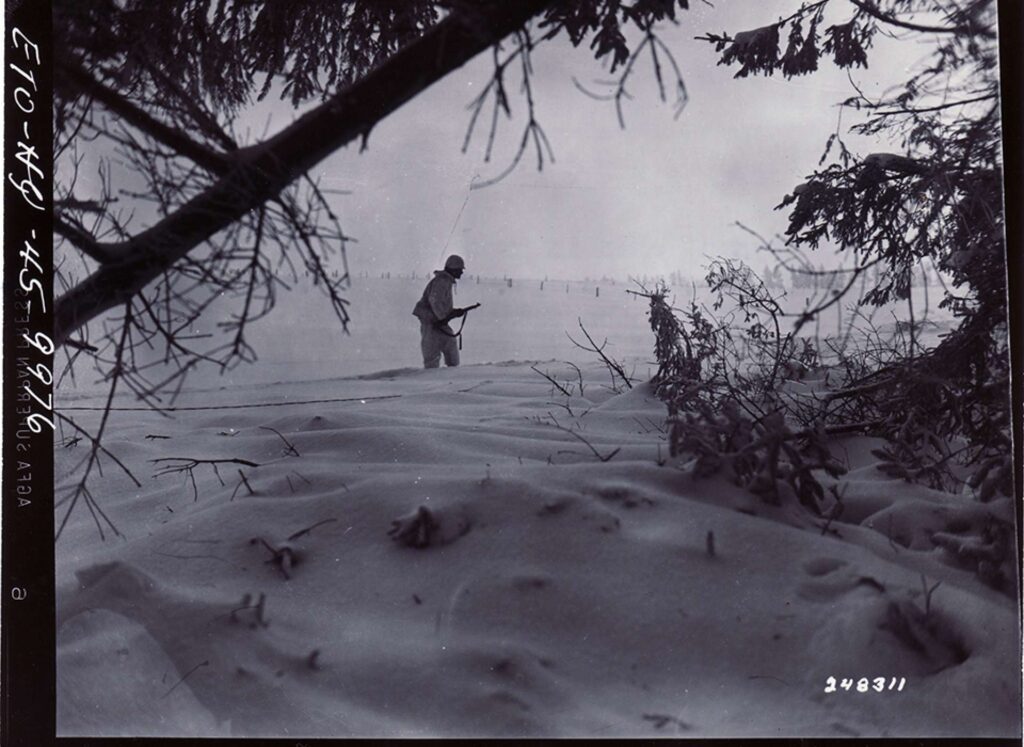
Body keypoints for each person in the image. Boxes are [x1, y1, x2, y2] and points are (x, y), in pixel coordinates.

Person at [412, 254, 469, 368]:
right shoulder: (442, 282)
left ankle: (452, 374)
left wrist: (453, 312)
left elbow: (440, 305)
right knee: (432, 358)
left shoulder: (445, 282)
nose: (462, 272)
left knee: (450, 347)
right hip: (430, 323)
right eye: (460, 269)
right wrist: (443, 317)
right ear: (453, 269)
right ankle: (433, 377)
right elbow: (435, 301)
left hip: (438, 323)